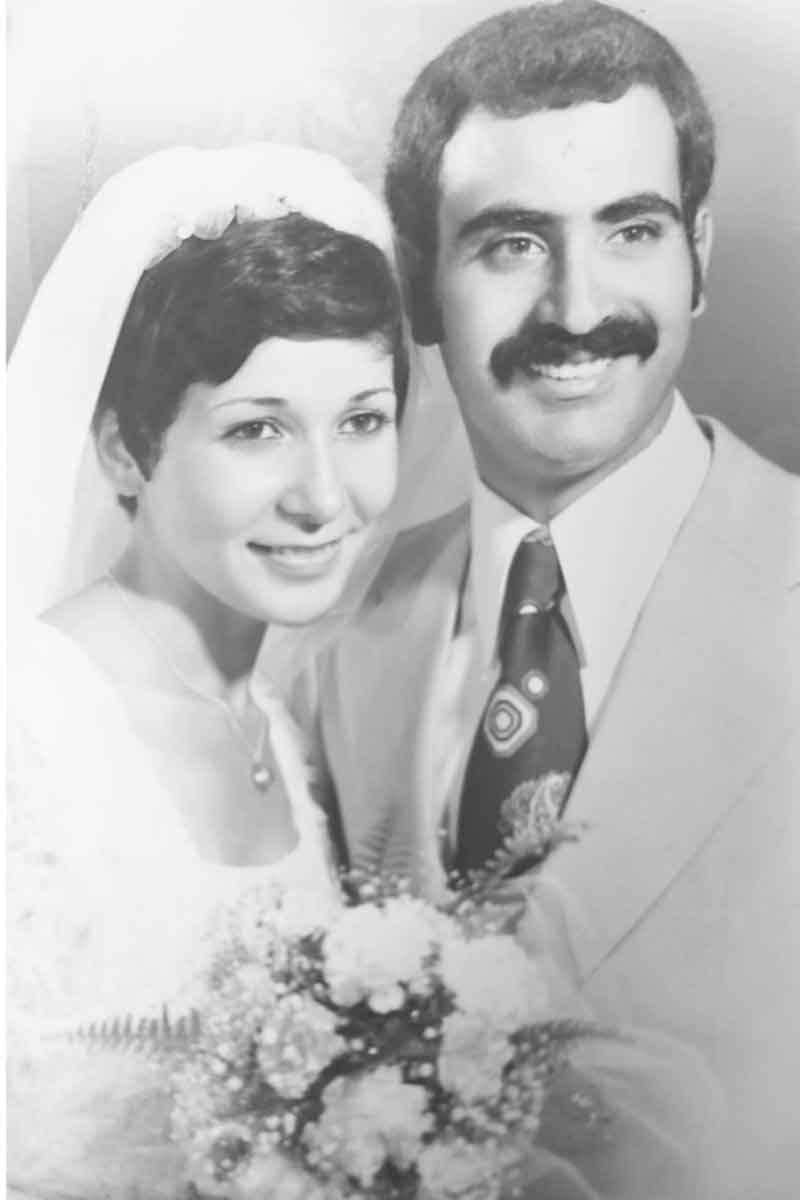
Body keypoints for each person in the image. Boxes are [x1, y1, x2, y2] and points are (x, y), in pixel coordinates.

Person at [313, 3, 800, 1195]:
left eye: (629, 230)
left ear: (698, 255)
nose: (576, 307)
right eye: (510, 243)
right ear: (420, 290)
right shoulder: (334, 625)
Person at [5, 142, 406, 1198]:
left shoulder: (272, 722)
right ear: (126, 451)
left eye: (363, 422)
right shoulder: (27, 736)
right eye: (257, 430)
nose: (324, 497)